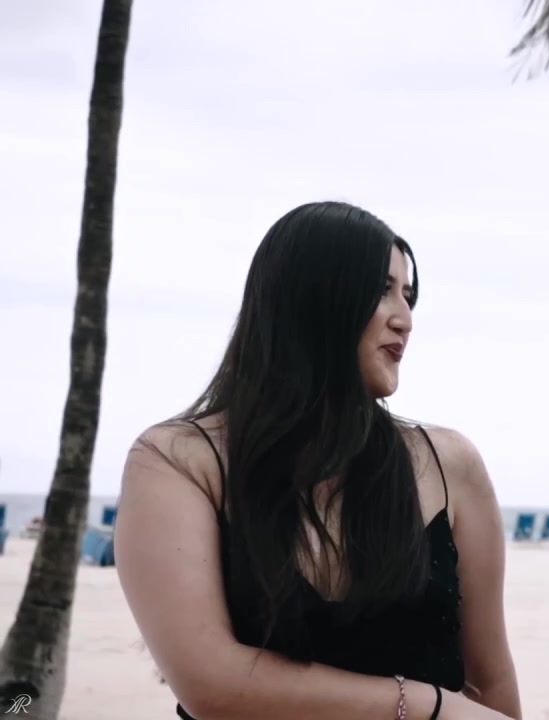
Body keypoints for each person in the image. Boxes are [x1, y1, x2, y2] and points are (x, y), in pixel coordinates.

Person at [115, 202, 521, 720]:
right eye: (382, 289)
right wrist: (424, 704)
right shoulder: (178, 463)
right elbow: (210, 684)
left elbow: (492, 683)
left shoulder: (448, 465)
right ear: (311, 296)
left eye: (409, 295)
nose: (405, 319)